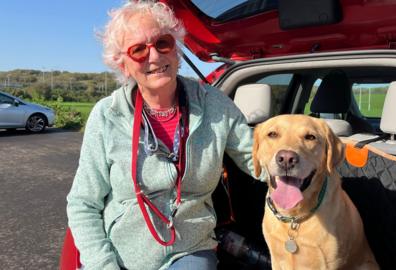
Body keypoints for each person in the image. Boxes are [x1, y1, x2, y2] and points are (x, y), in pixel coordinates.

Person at [66, 2, 256, 269]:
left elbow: (257, 158)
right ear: (123, 65)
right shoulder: (107, 115)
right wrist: (102, 264)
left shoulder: (214, 104)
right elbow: (83, 203)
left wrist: (311, 162)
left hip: (189, 248)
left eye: (162, 43)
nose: (154, 57)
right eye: (139, 50)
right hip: (120, 253)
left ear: (176, 50)